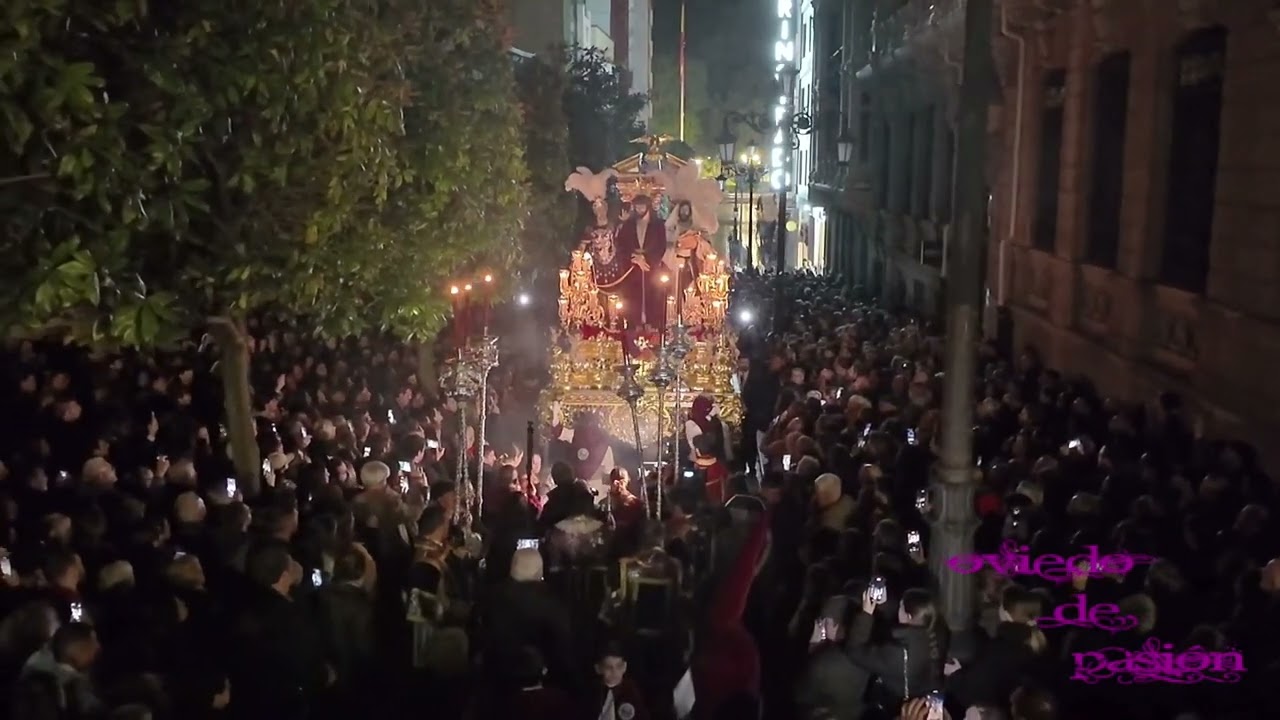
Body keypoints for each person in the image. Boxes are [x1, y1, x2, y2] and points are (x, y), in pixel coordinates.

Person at [610, 193, 667, 329]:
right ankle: (633, 326)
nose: (640, 209)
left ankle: (652, 326)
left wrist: (647, 260)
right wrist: (633, 258)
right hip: (633, 268)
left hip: (650, 267)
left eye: (642, 206)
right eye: (637, 207)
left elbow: (661, 246)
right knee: (632, 298)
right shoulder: (628, 224)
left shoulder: (658, 224)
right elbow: (621, 245)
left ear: (648, 207)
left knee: (652, 296)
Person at [585, 640, 649, 720]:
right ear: (598, 669)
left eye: (619, 666)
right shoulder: (592, 691)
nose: (614, 672)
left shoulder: (631, 690)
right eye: (608, 667)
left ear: (625, 667)